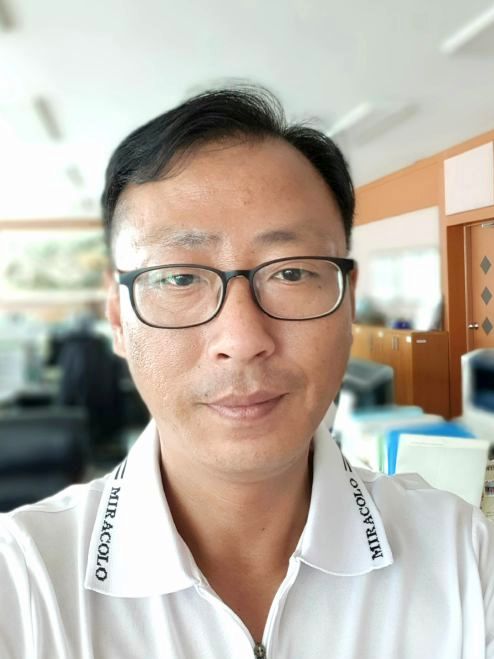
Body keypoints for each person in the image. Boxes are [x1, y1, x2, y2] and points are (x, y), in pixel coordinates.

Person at [0, 86, 492, 659]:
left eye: (290, 273)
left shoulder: (461, 554)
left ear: (349, 300)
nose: (242, 341)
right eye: (179, 277)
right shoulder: (25, 581)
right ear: (117, 317)